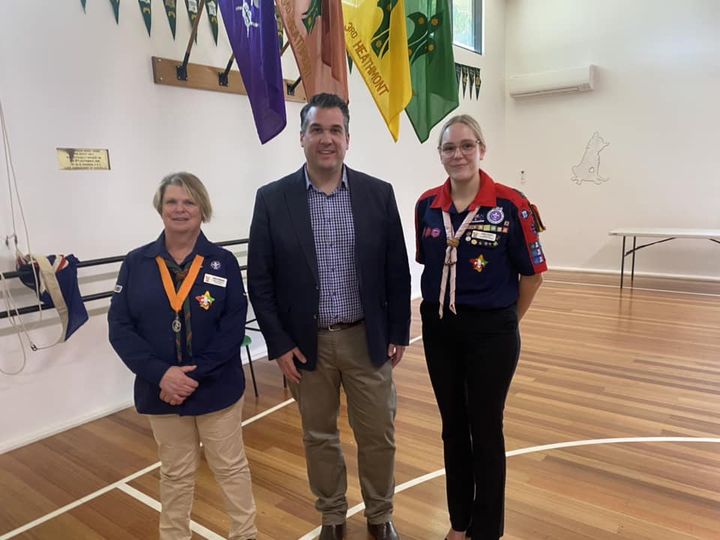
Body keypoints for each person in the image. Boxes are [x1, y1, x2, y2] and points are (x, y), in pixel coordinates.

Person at [247, 93, 411, 540]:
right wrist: (278, 344)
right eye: (317, 130)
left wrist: (399, 330)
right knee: (319, 437)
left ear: (347, 140)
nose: (326, 139)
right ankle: (332, 518)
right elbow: (259, 282)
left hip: (367, 338)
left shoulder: (378, 194)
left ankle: (380, 516)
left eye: (335, 130)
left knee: (378, 434)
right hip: (306, 345)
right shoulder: (272, 199)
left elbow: (397, 268)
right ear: (301, 138)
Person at [415, 115, 546, 540]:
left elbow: (533, 276)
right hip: (439, 329)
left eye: (467, 146)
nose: (458, 155)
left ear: (482, 150)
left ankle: (487, 528)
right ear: (440, 155)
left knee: (485, 427)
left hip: (491, 331)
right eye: (449, 148)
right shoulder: (426, 205)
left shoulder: (511, 205)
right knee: (453, 426)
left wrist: (506, 322)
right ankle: (459, 521)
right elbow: (428, 262)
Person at [108, 172, 257, 540]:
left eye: (189, 202)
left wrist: (191, 376)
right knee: (175, 473)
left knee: (230, 468)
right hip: (162, 392)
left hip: (216, 389)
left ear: (202, 210)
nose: (180, 209)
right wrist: (162, 375)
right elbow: (120, 327)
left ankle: (246, 535)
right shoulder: (136, 263)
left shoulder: (222, 262)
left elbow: (231, 329)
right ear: (160, 208)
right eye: (172, 201)